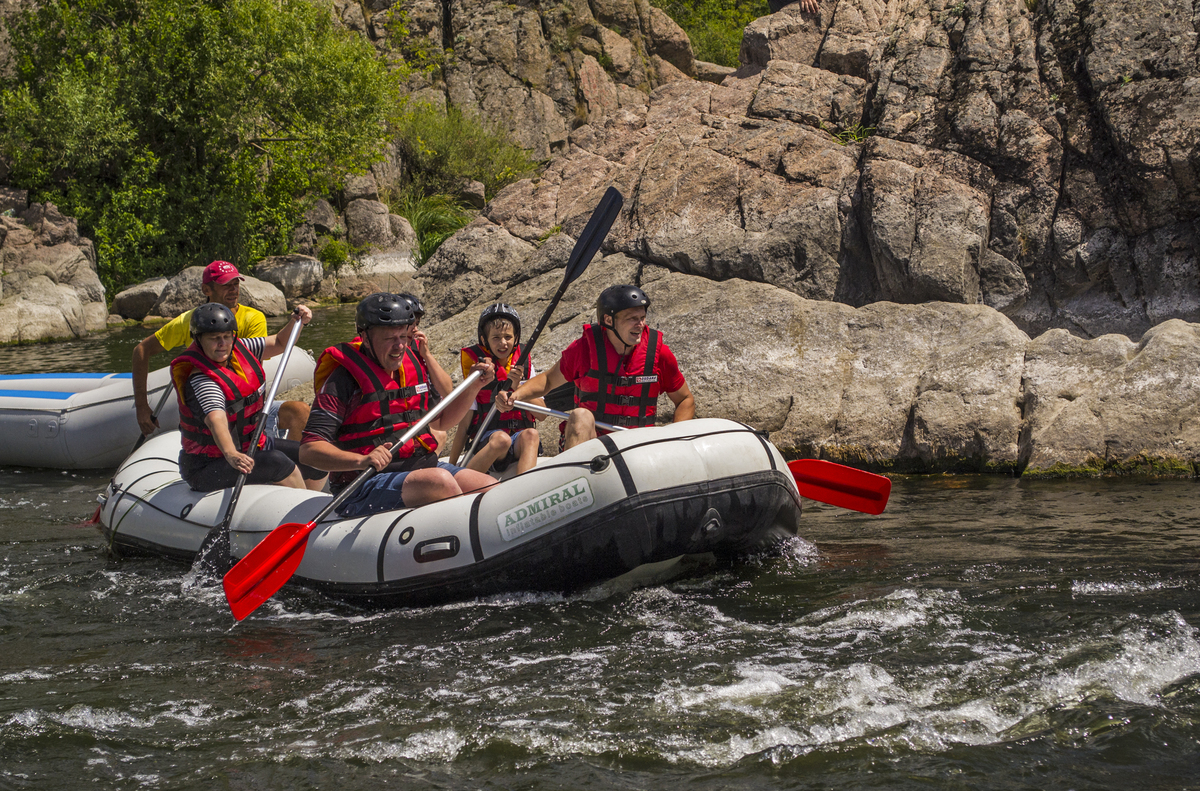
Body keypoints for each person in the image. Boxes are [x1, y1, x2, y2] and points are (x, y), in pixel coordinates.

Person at [299, 293, 499, 517]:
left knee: (491, 488)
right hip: (363, 483)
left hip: (421, 468)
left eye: (404, 336)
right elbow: (309, 450)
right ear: (365, 337)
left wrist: (474, 386)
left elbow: (442, 422)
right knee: (440, 482)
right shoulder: (342, 380)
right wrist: (362, 460)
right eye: (389, 338)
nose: (399, 346)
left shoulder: (413, 366)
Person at [131, 260, 312, 441]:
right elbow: (141, 350)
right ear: (206, 290)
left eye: (236, 284)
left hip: (244, 406)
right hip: (209, 408)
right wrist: (142, 407)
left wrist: (297, 321)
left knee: (300, 412)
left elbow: (272, 349)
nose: (233, 290)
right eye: (226, 285)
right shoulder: (189, 320)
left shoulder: (252, 319)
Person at [498, 284, 695, 450]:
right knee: (580, 415)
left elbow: (685, 399)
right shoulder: (585, 348)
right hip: (593, 444)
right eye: (632, 319)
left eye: (642, 317)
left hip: (638, 445)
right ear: (608, 320)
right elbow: (549, 380)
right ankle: (575, 480)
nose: (640, 324)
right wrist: (516, 395)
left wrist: (674, 442)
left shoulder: (658, 353)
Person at [171, 303, 328, 492]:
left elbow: (279, 342)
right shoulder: (203, 380)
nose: (222, 344)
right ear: (198, 339)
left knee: (318, 457)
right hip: (209, 464)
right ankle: (302, 506)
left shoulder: (241, 347)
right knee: (279, 463)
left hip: (253, 444)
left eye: (226, 336)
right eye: (214, 338)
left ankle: (311, 501)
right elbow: (216, 421)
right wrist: (231, 453)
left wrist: (297, 322)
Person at [448, 303, 544, 475]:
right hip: (489, 440)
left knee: (531, 434)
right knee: (502, 439)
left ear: (516, 338)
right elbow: (464, 426)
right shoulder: (479, 372)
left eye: (508, 337)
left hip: (518, 441)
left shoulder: (525, 366)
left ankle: (525, 486)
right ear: (484, 340)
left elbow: (542, 414)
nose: (503, 343)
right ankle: (462, 479)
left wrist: (517, 387)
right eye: (496, 337)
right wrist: (452, 465)